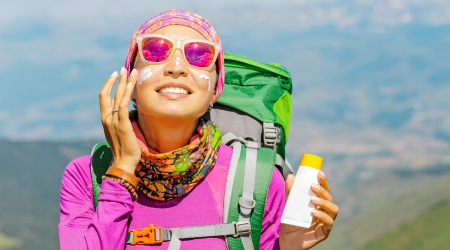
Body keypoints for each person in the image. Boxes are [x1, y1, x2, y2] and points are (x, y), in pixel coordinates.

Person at [59, 10, 339, 250]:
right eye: (155, 51)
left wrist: (287, 247)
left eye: (199, 55)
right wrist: (121, 173)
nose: (177, 67)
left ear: (215, 89)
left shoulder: (259, 181)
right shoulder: (88, 177)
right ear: (129, 80)